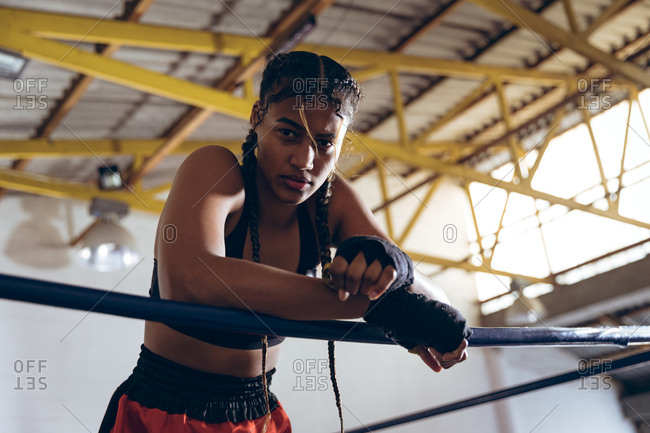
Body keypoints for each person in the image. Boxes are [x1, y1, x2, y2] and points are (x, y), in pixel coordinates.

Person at [98, 51, 469, 433]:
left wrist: (393, 266)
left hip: (257, 419)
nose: (305, 160)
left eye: (325, 143)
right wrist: (376, 304)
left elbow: (437, 304)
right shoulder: (216, 170)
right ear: (258, 116)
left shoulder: (331, 200)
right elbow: (192, 281)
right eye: (289, 133)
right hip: (161, 412)